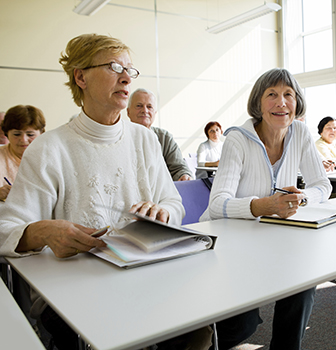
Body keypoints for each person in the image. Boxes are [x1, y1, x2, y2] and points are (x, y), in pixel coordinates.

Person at [0, 34, 201, 350]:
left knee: (207, 323)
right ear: (80, 77)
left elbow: (173, 203)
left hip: (146, 275)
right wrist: (41, 232)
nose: (126, 77)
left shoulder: (145, 140)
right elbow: (6, 231)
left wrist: (163, 212)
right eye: (114, 67)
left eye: (130, 70)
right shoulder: (49, 148)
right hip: (76, 290)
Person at [201, 68, 331, 350]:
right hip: (229, 243)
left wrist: (301, 198)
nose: (281, 102)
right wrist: (264, 205)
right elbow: (217, 204)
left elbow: (323, 185)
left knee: (302, 283)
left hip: (274, 239)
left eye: (288, 95)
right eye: (271, 94)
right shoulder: (237, 139)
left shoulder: (301, 133)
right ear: (258, 104)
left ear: (297, 103)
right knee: (241, 326)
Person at [127, 88, 192, 181]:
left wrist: (184, 175)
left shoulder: (165, 138)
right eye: (139, 106)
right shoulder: (118, 136)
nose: (144, 110)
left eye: (149, 107)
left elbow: (178, 167)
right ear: (128, 112)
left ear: (155, 113)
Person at [0, 105, 45, 201]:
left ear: (41, 133)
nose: (24, 140)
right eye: (16, 134)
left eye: (30, 134)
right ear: (7, 133)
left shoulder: (52, 158)